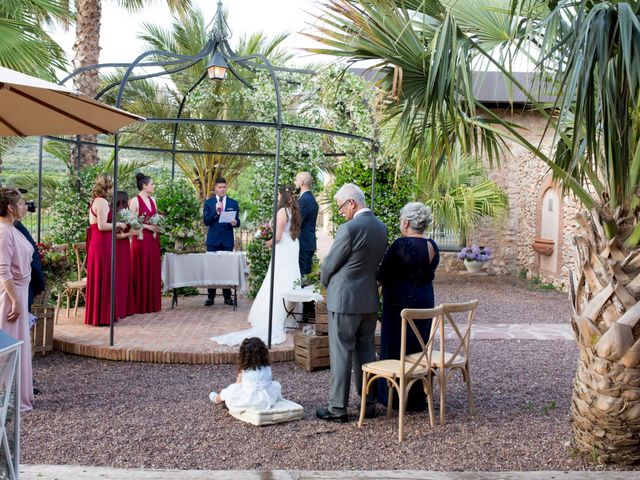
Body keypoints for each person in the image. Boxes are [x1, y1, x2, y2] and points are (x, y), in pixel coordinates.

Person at [316, 184, 387, 423]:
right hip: (368, 299)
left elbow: (330, 264)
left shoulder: (349, 229)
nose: (341, 212)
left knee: (341, 354)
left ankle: (337, 408)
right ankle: (369, 404)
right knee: (366, 351)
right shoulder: (381, 228)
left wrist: (324, 281)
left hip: (344, 300)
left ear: (352, 203)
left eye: (341, 207)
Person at [211, 185, 301, 346]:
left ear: (282, 196)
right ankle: (288, 315)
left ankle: (274, 316)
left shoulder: (282, 211)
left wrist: (268, 241)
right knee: (288, 278)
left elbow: (278, 236)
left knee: (278, 280)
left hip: (283, 248)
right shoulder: (293, 211)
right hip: (292, 245)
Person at [377, 202, 440, 411]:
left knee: (397, 346)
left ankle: (393, 397)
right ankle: (417, 397)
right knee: (419, 346)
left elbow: (382, 274)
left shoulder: (399, 246)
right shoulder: (432, 246)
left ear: (406, 222)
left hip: (400, 303)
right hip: (424, 300)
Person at [0, 187, 35, 412]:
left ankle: (17, 395)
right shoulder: (4, 232)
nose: (25, 206)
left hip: (20, 291)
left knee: (19, 346)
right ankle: (7, 398)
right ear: (11, 208)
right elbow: (3, 270)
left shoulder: (13, 229)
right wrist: (16, 300)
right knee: (9, 347)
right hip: (11, 297)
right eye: (21, 203)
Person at [85, 174, 126, 326]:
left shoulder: (97, 200)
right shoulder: (101, 201)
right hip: (102, 244)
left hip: (101, 243)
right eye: (112, 185)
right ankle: (102, 317)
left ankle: (100, 315)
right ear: (107, 186)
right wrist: (119, 224)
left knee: (103, 278)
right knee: (104, 277)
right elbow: (102, 226)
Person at [209, 337, 282, 412]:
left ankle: (216, 399)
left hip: (249, 400)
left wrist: (227, 390)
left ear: (244, 356)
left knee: (227, 391)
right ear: (263, 353)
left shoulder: (245, 370)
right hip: (266, 398)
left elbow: (237, 386)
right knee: (275, 385)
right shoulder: (267, 368)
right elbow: (268, 382)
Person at [203, 177, 240, 306]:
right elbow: (206, 221)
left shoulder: (233, 203)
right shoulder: (209, 203)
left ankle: (227, 297)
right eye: (220, 187)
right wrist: (216, 210)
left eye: (224, 187)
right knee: (211, 269)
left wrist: (236, 223)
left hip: (227, 241)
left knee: (226, 269)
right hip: (213, 241)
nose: (222, 189)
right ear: (215, 189)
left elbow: (238, 221)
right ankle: (210, 297)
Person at [129, 172, 162, 314]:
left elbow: (155, 217)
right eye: (152, 184)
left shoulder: (153, 200)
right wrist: (148, 227)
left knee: (152, 269)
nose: (153, 186)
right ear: (144, 186)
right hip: (141, 240)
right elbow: (132, 222)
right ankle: (140, 304)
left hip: (153, 240)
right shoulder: (134, 201)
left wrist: (158, 226)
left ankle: (152, 303)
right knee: (141, 269)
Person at [295, 172, 319, 321]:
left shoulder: (305, 200)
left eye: (296, 179)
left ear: (302, 182)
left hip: (304, 243)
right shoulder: (308, 199)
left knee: (304, 277)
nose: (295, 181)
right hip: (307, 242)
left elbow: (297, 222)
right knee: (305, 276)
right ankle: (307, 311)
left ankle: (308, 312)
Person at [115, 191, 137, 320]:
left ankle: (125, 307)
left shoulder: (126, 214)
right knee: (120, 277)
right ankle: (119, 308)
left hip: (125, 248)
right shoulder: (117, 215)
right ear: (122, 200)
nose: (129, 201)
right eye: (127, 199)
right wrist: (129, 234)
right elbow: (115, 236)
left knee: (125, 276)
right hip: (118, 247)